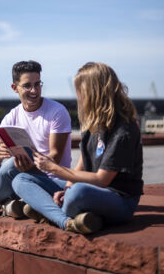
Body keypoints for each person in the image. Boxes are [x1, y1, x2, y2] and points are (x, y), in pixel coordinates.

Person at [12, 62, 143, 234]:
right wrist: (66, 188)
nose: (78, 96)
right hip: (89, 190)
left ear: (95, 92)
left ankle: (48, 211)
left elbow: (102, 180)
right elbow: (82, 163)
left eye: (80, 91)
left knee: (78, 192)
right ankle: (67, 220)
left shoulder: (123, 129)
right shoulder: (93, 123)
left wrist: (54, 169)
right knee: (21, 180)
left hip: (119, 199)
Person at [0, 60, 72, 217]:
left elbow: (55, 156)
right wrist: (0, 154)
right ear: (14, 88)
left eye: (37, 84)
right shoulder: (12, 116)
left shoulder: (57, 112)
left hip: (49, 179)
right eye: (27, 86)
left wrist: (28, 163)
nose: (34, 91)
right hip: (18, 175)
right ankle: (9, 204)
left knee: (11, 165)